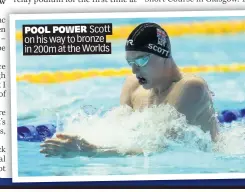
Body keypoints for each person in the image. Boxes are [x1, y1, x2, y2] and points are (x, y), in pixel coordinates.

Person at [40, 23, 219, 158]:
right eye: (130, 63)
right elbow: (120, 133)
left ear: (163, 55)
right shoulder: (133, 87)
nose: (134, 70)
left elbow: (161, 147)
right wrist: (74, 141)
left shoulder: (190, 88)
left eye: (141, 61)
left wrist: (91, 150)